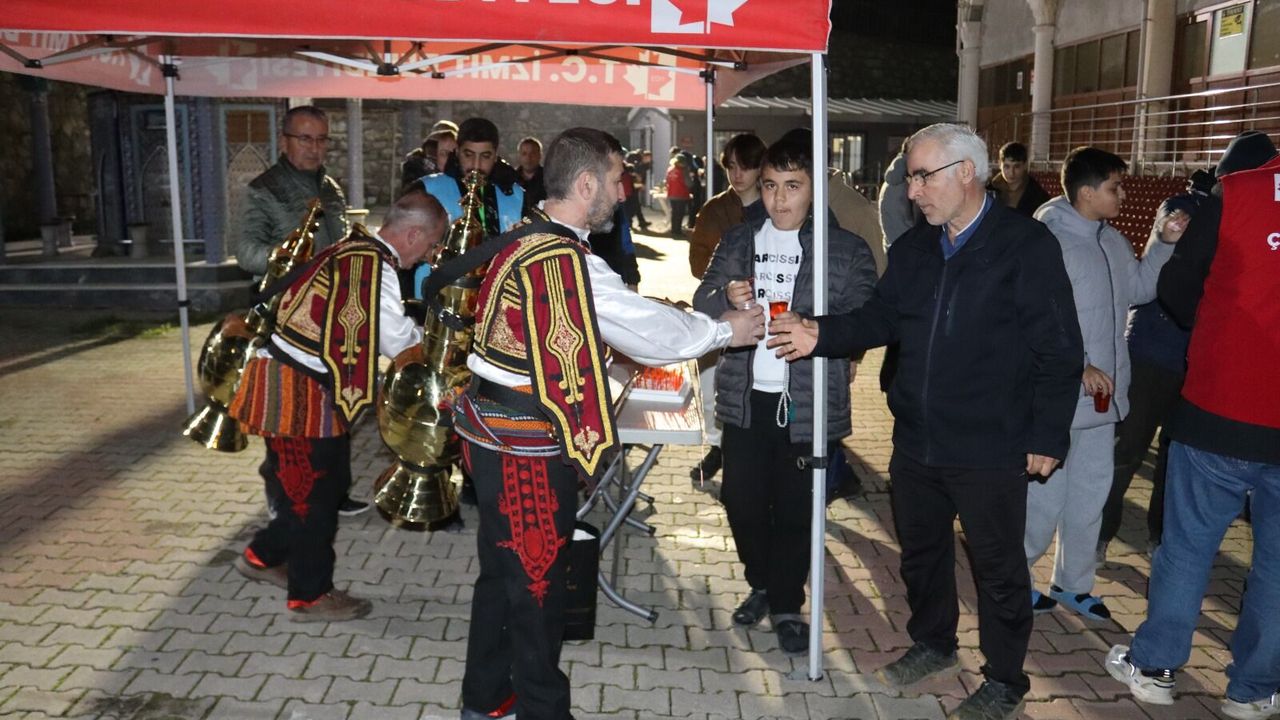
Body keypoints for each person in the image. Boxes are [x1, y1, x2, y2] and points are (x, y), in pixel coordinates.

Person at [768, 122, 1083, 720]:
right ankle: (933, 644)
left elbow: (1059, 348)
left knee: (997, 566)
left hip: (991, 444)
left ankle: (1006, 677)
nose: (912, 191)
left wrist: (1048, 434)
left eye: (921, 176)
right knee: (921, 552)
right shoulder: (916, 247)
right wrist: (820, 333)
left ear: (966, 172)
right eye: (911, 177)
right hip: (916, 438)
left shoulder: (1024, 245)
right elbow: (879, 320)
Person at [450, 127, 764, 720]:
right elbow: (644, 329)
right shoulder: (560, 257)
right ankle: (540, 710)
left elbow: (612, 313)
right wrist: (724, 330)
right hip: (524, 444)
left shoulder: (529, 234)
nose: (624, 192)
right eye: (618, 179)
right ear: (588, 182)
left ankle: (487, 697)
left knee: (502, 572)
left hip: (493, 429)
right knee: (538, 584)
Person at [1105, 130, 1279, 720]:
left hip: (1219, 408)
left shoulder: (1239, 192)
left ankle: (1155, 667)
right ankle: (1253, 691)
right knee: (1277, 567)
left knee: (1187, 548)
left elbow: (1177, 292)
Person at [693, 133, 877, 654]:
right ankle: (764, 582)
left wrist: (817, 327)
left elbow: (869, 320)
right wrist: (723, 297)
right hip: (746, 398)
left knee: (796, 510)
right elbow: (701, 300)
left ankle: (787, 603)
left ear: (815, 187)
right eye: (771, 185)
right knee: (741, 501)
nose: (779, 199)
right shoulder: (739, 240)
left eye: (792, 186)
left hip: (808, 401)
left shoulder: (843, 249)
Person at [229, 189, 448, 621]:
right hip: (295, 394)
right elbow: (393, 337)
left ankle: (261, 557)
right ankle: (309, 596)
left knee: (321, 489)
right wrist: (434, 345)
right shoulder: (372, 264)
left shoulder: (352, 247)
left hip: (303, 387)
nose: (429, 256)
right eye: (431, 244)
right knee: (310, 498)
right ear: (414, 234)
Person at [1023, 147, 1182, 622]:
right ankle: (1012, 578)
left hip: (1103, 399)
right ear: (1087, 192)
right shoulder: (1046, 239)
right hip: (1057, 395)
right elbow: (1033, 320)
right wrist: (1079, 365)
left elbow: (1138, 290)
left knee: (1091, 494)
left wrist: (1163, 240)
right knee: (1043, 496)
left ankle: (1073, 585)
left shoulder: (1110, 240)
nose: (1122, 194)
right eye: (1115, 187)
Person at [234, 105, 369, 518]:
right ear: (285, 140)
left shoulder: (330, 187)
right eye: (305, 139)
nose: (314, 148)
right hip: (286, 319)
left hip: (332, 317)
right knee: (286, 414)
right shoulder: (264, 189)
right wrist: (288, 256)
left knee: (336, 406)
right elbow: (244, 252)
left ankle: (334, 490)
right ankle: (280, 497)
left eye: (322, 139)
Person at [1097, 168, 1213, 562]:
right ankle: (1098, 536)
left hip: (1191, 359)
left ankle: (1160, 539)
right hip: (1152, 352)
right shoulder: (1185, 207)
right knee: (1126, 450)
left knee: (1174, 459)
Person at [687, 133, 768, 483]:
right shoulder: (716, 208)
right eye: (731, 166)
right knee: (712, 387)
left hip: (765, 314)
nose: (738, 174)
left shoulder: (775, 206)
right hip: (722, 310)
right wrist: (726, 280)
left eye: (745, 166)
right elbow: (698, 261)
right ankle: (718, 448)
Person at [415, 117, 526, 298]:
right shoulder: (427, 189)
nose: (476, 165)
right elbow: (403, 241)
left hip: (496, 302)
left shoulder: (516, 195)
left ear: (496, 155)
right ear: (457, 151)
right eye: (468, 154)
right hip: (433, 298)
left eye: (485, 156)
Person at [988, 141, 1052, 217]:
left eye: (1017, 167)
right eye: (1007, 167)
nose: (1011, 172)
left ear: (1025, 165)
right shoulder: (989, 190)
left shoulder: (1037, 195)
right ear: (999, 164)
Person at [665, 153, 692, 238]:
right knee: (680, 213)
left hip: (672, 194)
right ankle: (678, 230)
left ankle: (674, 229)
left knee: (674, 212)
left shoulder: (670, 170)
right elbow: (689, 183)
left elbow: (667, 182)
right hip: (681, 195)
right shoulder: (684, 171)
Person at [515, 136, 547, 207]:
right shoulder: (510, 179)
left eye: (532, 153)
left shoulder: (549, 179)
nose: (528, 158)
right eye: (524, 154)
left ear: (540, 155)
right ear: (519, 156)